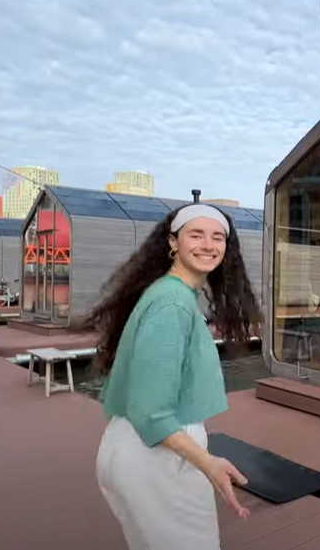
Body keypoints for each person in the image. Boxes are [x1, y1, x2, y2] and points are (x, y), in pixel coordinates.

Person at [86, 203, 259, 549]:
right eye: (196, 235)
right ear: (172, 243)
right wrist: (209, 464)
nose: (208, 244)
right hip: (157, 456)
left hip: (136, 447)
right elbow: (151, 412)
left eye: (217, 237)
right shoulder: (172, 304)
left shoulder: (170, 294)